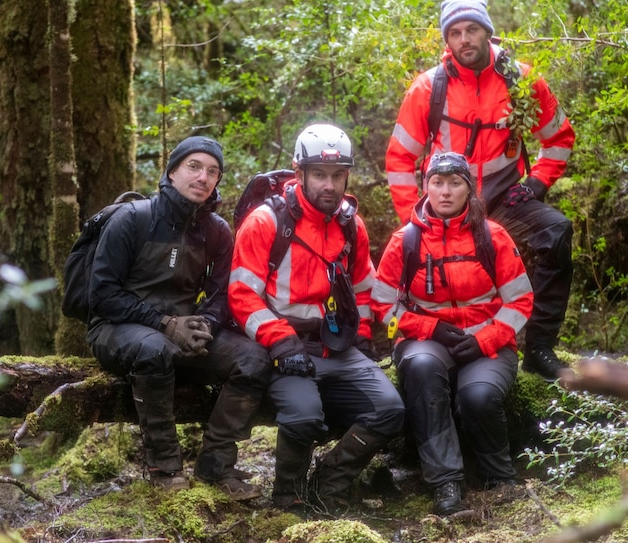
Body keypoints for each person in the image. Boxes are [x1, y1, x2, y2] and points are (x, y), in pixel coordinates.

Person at [384, 0, 575, 382]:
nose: (464, 39)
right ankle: (434, 346)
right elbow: (400, 160)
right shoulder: (427, 89)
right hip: (446, 207)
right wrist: (414, 222)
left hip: (506, 199)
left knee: (556, 232)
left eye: (472, 29)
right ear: (446, 40)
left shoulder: (522, 80)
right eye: (455, 33)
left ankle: (538, 347)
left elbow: (558, 138)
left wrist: (537, 182)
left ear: (487, 32)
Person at [229, 123, 406, 513]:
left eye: (338, 176)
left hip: (338, 347)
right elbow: (242, 295)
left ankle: (330, 479)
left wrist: (361, 335)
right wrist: (280, 342)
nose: (330, 185)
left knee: (390, 410)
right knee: (305, 416)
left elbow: (363, 288)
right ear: (300, 173)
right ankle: (288, 497)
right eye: (320, 175)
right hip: (285, 349)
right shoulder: (265, 222)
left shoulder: (349, 224)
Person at [87, 136, 271, 500]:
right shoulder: (133, 219)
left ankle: (216, 467)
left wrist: (206, 325)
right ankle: (165, 467)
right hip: (115, 329)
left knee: (254, 359)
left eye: (213, 171)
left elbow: (222, 295)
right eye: (194, 166)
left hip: (183, 334)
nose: (203, 177)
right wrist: (165, 324)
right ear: (172, 172)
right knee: (155, 350)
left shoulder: (217, 231)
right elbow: (103, 295)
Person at [372, 152, 533, 516]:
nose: (445, 192)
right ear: (425, 186)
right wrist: (428, 328)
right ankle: (445, 481)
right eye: (437, 183)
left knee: (478, 397)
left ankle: (499, 477)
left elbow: (520, 301)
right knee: (422, 369)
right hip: (427, 341)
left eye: (455, 183)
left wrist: (484, 339)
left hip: (487, 343)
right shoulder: (405, 241)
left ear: (469, 189)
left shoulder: (493, 236)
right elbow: (382, 306)